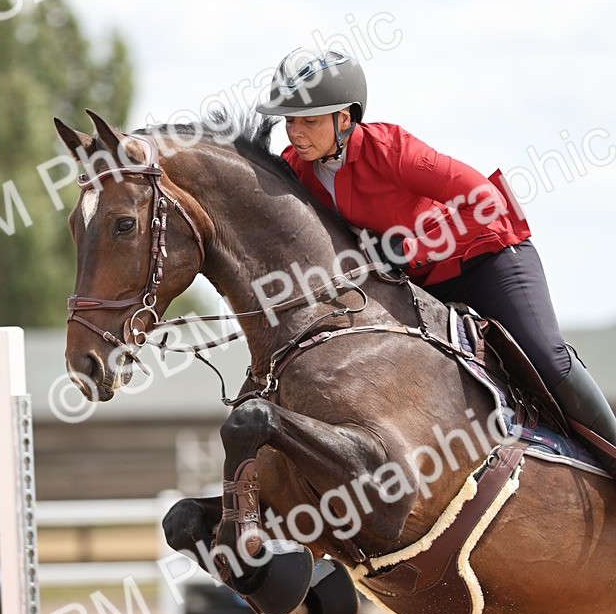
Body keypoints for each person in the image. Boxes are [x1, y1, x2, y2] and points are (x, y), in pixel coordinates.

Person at [256, 48, 616, 480]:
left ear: (346, 119)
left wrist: (409, 248)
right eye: (289, 121)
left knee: (547, 357)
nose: (295, 132)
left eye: (309, 120)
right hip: (423, 286)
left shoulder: (390, 150)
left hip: (488, 258)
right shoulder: (298, 169)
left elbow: (486, 199)